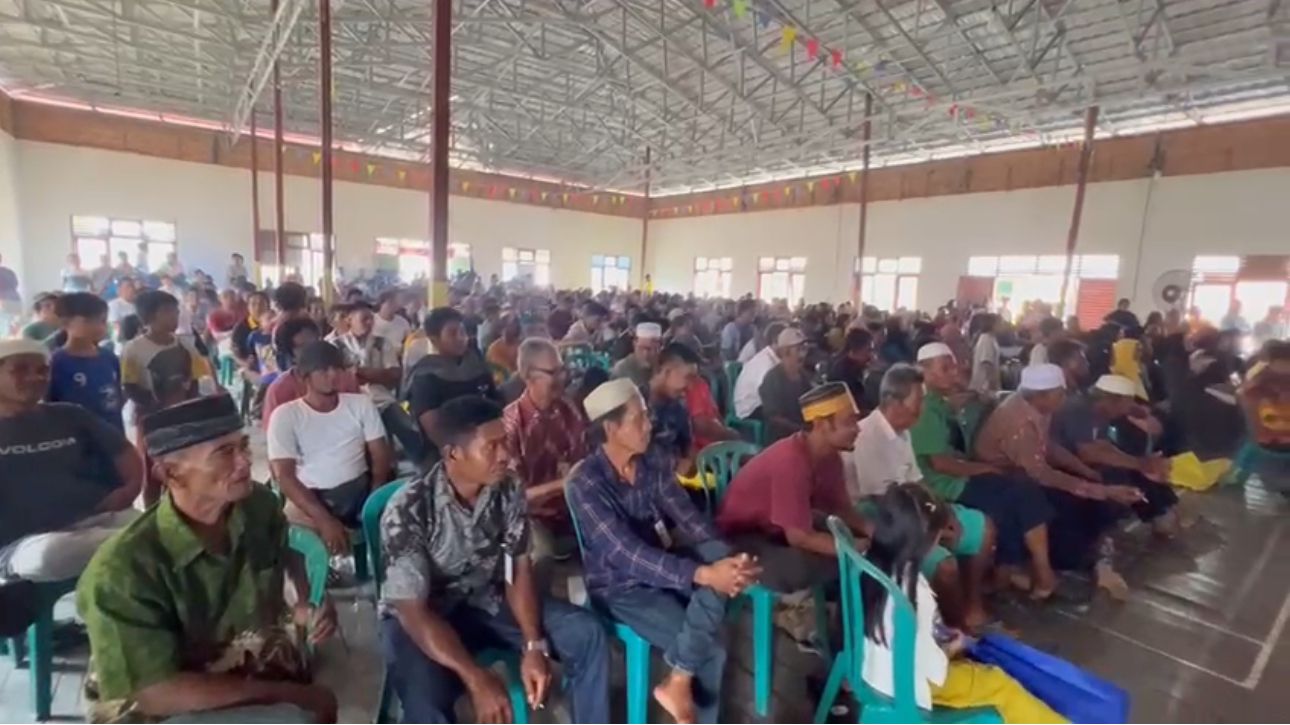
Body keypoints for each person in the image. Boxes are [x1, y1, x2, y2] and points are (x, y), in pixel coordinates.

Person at [77, 395, 339, 723]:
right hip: (152, 704)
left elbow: (285, 556)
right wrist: (289, 695)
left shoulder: (257, 505)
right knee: (290, 714)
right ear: (170, 473)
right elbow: (156, 692)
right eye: (225, 453)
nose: (245, 462)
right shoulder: (121, 571)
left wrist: (305, 600)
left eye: (243, 446)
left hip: (234, 658)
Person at [380, 396, 611, 723]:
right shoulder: (409, 510)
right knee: (426, 694)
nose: (506, 455)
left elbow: (516, 570)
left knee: (585, 633)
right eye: (492, 447)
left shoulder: (507, 489)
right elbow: (413, 613)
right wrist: (476, 678)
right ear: (453, 454)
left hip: (484, 600)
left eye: (505, 442)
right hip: (424, 616)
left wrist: (533, 644)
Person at [566, 379, 759, 724]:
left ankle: (678, 681)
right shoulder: (586, 483)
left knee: (721, 568)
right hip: (620, 588)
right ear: (611, 428)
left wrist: (729, 559)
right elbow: (626, 554)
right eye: (639, 418)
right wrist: (703, 573)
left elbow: (688, 518)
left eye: (647, 416)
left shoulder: (652, 461)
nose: (649, 424)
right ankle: (686, 692)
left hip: (664, 568)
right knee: (710, 644)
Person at [860, 484, 1065, 724]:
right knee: (1000, 685)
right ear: (926, 541)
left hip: (873, 676)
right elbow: (935, 671)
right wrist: (952, 646)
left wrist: (939, 635)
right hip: (907, 690)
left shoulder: (871, 563)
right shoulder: (916, 594)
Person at [846, 366, 995, 630]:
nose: (921, 409)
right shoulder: (867, 436)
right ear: (893, 401)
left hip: (917, 511)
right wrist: (935, 525)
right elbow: (885, 503)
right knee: (945, 567)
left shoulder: (903, 432)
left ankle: (973, 608)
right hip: (887, 523)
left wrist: (944, 512)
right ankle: (954, 628)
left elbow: (918, 482)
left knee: (982, 527)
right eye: (918, 402)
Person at [974, 364, 1141, 599]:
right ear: (1042, 395)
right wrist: (1102, 490)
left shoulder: (1038, 407)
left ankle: (1086, 557)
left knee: (1085, 485)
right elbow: (1039, 472)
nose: (1064, 398)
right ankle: (1052, 567)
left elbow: (1049, 447)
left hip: (1024, 469)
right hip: (1000, 476)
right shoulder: (1020, 424)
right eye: (1060, 393)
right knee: (1064, 501)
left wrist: (1083, 471)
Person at [911, 343, 1056, 598]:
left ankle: (1009, 569)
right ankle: (1033, 573)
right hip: (943, 484)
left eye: (953, 366)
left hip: (958, 474)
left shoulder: (939, 403)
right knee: (1017, 492)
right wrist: (984, 468)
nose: (954, 373)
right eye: (945, 368)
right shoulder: (924, 409)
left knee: (1019, 487)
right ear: (924, 372)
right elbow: (941, 464)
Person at [0, 339, 140, 583]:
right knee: (50, 556)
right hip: (21, 545)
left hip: (92, 519)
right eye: (20, 369)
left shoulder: (69, 415)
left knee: (160, 525)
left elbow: (124, 452)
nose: (35, 377)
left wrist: (129, 490)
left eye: (42, 370)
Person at [716, 382, 872, 596]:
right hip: (744, 537)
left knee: (849, 539)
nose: (858, 428)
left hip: (778, 527)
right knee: (804, 565)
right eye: (849, 422)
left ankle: (837, 595)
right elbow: (799, 537)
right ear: (821, 425)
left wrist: (873, 533)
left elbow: (842, 509)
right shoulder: (791, 461)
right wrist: (855, 548)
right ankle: (800, 605)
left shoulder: (831, 457)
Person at [268, 341, 392, 555]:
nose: (332, 374)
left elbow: (381, 457)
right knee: (290, 532)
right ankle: (315, 583)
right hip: (311, 498)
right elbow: (285, 476)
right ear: (303, 376)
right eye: (323, 370)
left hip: (360, 490)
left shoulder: (360, 404)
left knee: (398, 515)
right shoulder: (286, 416)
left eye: (337, 368)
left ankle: (378, 571)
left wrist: (372, 501)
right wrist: (324, 519)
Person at [1051, 374, 1180, 535]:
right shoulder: (1078, 409)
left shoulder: (1101, 411)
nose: (1128, 409)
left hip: (1079, 461)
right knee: (1117, 473)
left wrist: (1140, 463)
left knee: (1131, 465)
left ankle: (1160, 511)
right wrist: (1139, 463)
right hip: (1061, 465)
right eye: (1127, 403)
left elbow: (1104, 446)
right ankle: (1103, 531)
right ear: (1112, 400)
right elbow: (1088, 453)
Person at [502, 338, 586, 567]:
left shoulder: (568, 410)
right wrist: (562, 484)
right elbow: (513, 499)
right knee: (541, 555)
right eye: (553, 372)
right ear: (529, 376)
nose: (562, 378)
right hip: (531, 515)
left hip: (570, 505)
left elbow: (581, 461)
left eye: (562, 370)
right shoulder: (511, 423)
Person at [406, 307, 499, 458]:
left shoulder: (476, 364)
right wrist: (463, 455)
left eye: (463, 332)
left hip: (488, 442)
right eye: (452, 333)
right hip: (448, 452)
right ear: (434, 340)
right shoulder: (425, 375)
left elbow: (495, 404)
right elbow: (435, 429)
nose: (461, 338)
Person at [333, 303, 423, 459]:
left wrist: (360, 372)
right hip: (351, 404)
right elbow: (340, 379)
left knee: (410, 431)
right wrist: (378, 375)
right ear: (349, 320)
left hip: (381, 400)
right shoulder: (336, 345)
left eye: (371, 319)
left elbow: (394, 375)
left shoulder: (382, 343)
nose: (369, 323)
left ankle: (425, 466)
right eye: (364, 319)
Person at [120, 290, 211, 434]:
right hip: (152, 419)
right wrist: (156, 406)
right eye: (168, 311)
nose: (175, 316)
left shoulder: (185, 345)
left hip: (183, 415)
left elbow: (194, 380)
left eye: (176, 311)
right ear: (149, 316)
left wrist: (189, 406)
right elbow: (129, 386)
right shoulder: (133, 350)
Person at [261, 318, 361, 429]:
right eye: (303, 346)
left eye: (315, 342)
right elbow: (275, 436)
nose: (313, 350)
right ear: (291, 354)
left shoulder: (345, 379)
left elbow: (361, 422)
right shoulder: (278, 391)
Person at [46, 293, 125, 431]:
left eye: (102, 321)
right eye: (88, 320)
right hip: (74, 436)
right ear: (65, 322)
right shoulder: (55, 362)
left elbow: (117, 394)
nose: (98, 326)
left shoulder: (109, 357)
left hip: (112, 434)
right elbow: (49, 403)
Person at [643, 342, 702, 464]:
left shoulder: (678, 408)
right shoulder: (635, 407)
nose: (691, 387)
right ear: (666, 372)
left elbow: (688, 449)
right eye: (688, 377)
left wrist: (689, 464)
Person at [758, 327, 813, 442]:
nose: (803, 354)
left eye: (804, 349)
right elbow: (774, 417)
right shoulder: (772, 379)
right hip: (781, 440)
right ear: (785, 352)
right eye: (798, 349)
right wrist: (800, 430)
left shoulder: (803, 376)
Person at [731, 320, 787, 419]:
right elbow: (768, 394)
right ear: (775, 341)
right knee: (786, 411)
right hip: (750, 408)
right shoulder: (766, 363)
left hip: (760, 402)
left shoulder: (774, 358)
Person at [827, 327, 875, 412]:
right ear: (858, 350)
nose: (872, 355)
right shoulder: (844, 373)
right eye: (869, 350)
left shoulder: (854, 367)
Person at [612, 322, 663, 387]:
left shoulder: (666, 365)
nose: (645, 354)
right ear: (634, 344)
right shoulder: (622, 369)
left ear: (659, 347)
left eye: (650, 349)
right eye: (641, 348)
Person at [969, 313, 1003, 395]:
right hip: (984, 387)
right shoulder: (986, 340)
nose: (1002, 326)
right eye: (1000, 323)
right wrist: (992, 383)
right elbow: (986, 362)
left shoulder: (991, 338)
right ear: (993, 324)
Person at [107, 277, 139, 347]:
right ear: (119, 290)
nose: (132, 289)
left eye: (133, 286)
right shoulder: (114, 305)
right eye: (128, 286)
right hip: (123, 346)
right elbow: (114, 327)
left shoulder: (139, 304)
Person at [0, 252, 21, 336]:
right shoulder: (9, 272)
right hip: (15, 299)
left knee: (5, 328)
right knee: (14, 325)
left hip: (3, 301)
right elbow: (16, 284)